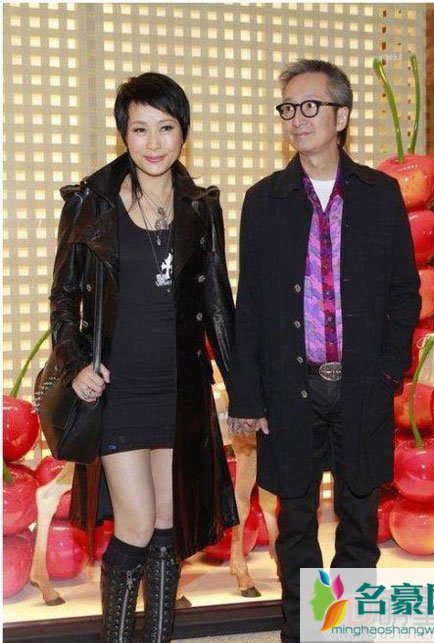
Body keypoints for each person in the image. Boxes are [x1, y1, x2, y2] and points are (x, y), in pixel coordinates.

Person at [228, 59, 421, 642]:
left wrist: (389, 370)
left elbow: (404, 291)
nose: (297, 118)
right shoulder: (265, 200)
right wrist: (249, 396)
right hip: (291, 386)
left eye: (310, 105)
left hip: (363, 383)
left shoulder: (380, 195)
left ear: (341, 116)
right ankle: (305, 632)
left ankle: (346, 631)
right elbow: (250, 305)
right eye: (288, 107)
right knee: (296, 523)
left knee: (360, 520)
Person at [49, 72, 238, 642]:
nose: (153, 143)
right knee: (133, 525)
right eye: (140, 129)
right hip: (119, 391)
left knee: (166, 526)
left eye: (166, 128)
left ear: (183, 132)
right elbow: (64, 297)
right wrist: (76, 363)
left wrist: (243, 390)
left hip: (180, 390)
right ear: (123, 134)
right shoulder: (90, 203)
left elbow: (218, 302)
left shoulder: (201, 208)